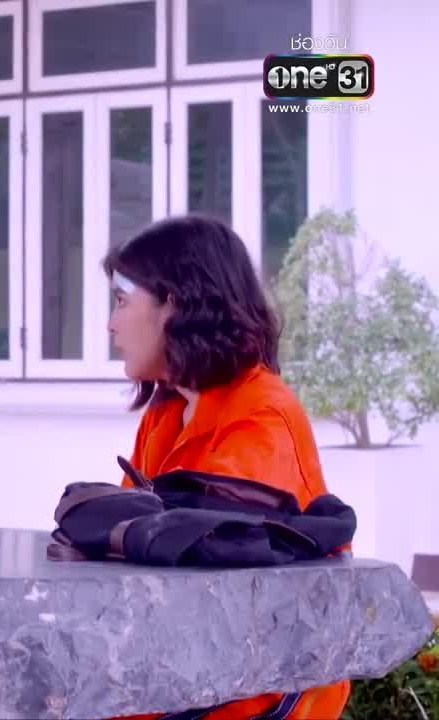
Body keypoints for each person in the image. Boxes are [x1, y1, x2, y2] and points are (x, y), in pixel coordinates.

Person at [104, 214, 349, 720]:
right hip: (179, 673)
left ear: (174, 305)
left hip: (253, 691)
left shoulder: (262, 415)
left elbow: (215, 587)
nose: (111, 323)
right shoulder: (166, 413)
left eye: (122, 301)